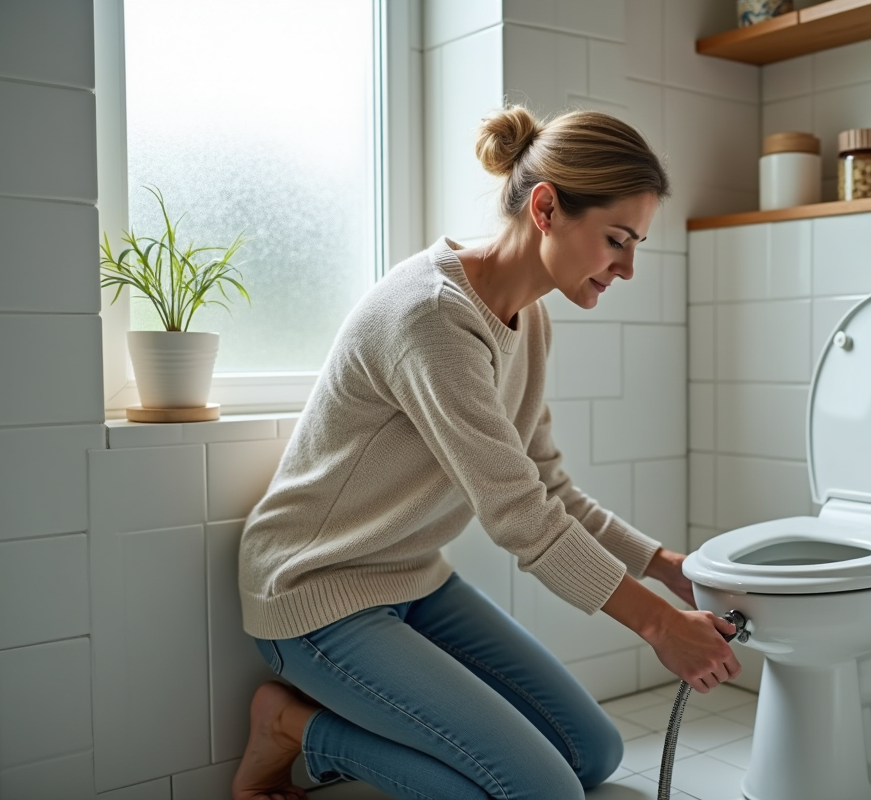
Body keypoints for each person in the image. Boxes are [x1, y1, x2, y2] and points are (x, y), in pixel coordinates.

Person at [231, 106, 741, 800]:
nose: (627, 267)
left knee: (593, 753)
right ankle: (295, 728)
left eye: (637, 243)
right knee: (543, 793)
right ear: (547, 207)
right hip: (317, 592)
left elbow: (547, 486)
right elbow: (520, 518)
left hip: (412, 579)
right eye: (618, 239)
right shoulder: (434, 317)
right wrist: (657, 624)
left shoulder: (528, 319)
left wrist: (664, 567)